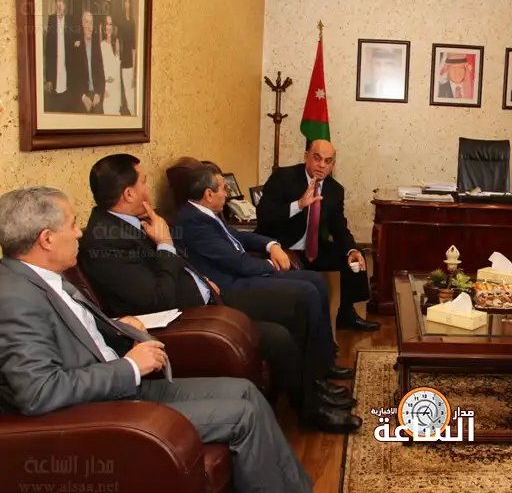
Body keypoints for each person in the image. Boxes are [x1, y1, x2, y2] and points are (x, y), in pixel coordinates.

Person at [0, 187, 371, 493]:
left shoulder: (43, 276)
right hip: (101, 408)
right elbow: (39, 392)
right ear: (46, 239)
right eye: (71, 224)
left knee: (246, 391)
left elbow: (75, 333)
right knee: (242, 416)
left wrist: (117, 327)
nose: (79, 231)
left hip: (120, 385)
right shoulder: (16, 298)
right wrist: (130, 366)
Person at [77, 154, 360, 433]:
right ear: (128, 194)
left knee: (296, 306)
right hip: (185, 318)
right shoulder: (106, 241)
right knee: (281, 333)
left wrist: (200, 278)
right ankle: (311, 409)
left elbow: (181, 262)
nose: (147, 189)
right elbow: (156, 299)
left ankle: (314, 393)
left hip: (209, 294)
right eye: (142, 182)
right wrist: (164, 245)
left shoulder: (135, 221)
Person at [171, 165, 362, 427]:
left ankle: (317, 377)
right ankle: (311, 398)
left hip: (240, 278)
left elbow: (237, 237)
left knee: (314, 281)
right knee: (306, 292)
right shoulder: (192, 222)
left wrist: (271, 245)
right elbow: (236, 262)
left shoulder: (205, 213)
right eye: (223, 188)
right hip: (230, 290)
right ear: (208, 194)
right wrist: (272, 265)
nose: (227, 193)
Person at [256, 140, 380, 332]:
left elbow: (339, 227)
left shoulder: (335, 189)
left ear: (333, 165)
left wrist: (352, 249)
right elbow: (264, 214)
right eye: (317, 158)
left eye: (328, 161)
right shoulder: (283, 177)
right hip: (282, 247)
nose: (322, 165)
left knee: (354, 257)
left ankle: (346, 315)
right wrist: (299, 205)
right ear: (306, 157)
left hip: (311, 249)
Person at [66, 10, 105, 114]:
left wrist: (99, 95)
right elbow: (72, 79)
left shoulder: (96, 47)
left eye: (91, 23)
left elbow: (101, 75)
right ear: (82, 24)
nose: (88, 26)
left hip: (95, 95)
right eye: (86, 22)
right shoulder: (76, 48)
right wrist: (83, 97)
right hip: (82, 96)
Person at [44, 0, 71, 112]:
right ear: (56, 2)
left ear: (66, 4)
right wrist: (49, 78)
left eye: (63, 1)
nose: (60, 4)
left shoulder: (70, 21)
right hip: (55, 73)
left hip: (67, 73)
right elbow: (48, 51)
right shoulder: (51, 20)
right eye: (59, 0)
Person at [119, 0, 136, 115]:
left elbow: (134, 49)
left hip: (129, 66)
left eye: (129, 1)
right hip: (121, 65)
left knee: (131, 101)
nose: (127, 4)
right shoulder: (121, 22)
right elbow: (118, 44)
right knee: (123, 98)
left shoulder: (132, 23)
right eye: (125, 1)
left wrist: (134, 72)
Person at [100, 15, 121, 115]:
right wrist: (104, 89)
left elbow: (117, 69)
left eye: (110, 24)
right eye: (107, 24)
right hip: (107, 88)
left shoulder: (116, 43)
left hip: (115, 89)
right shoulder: (101, 45)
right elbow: (101, 69)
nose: (108, 27)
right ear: (104, 27)